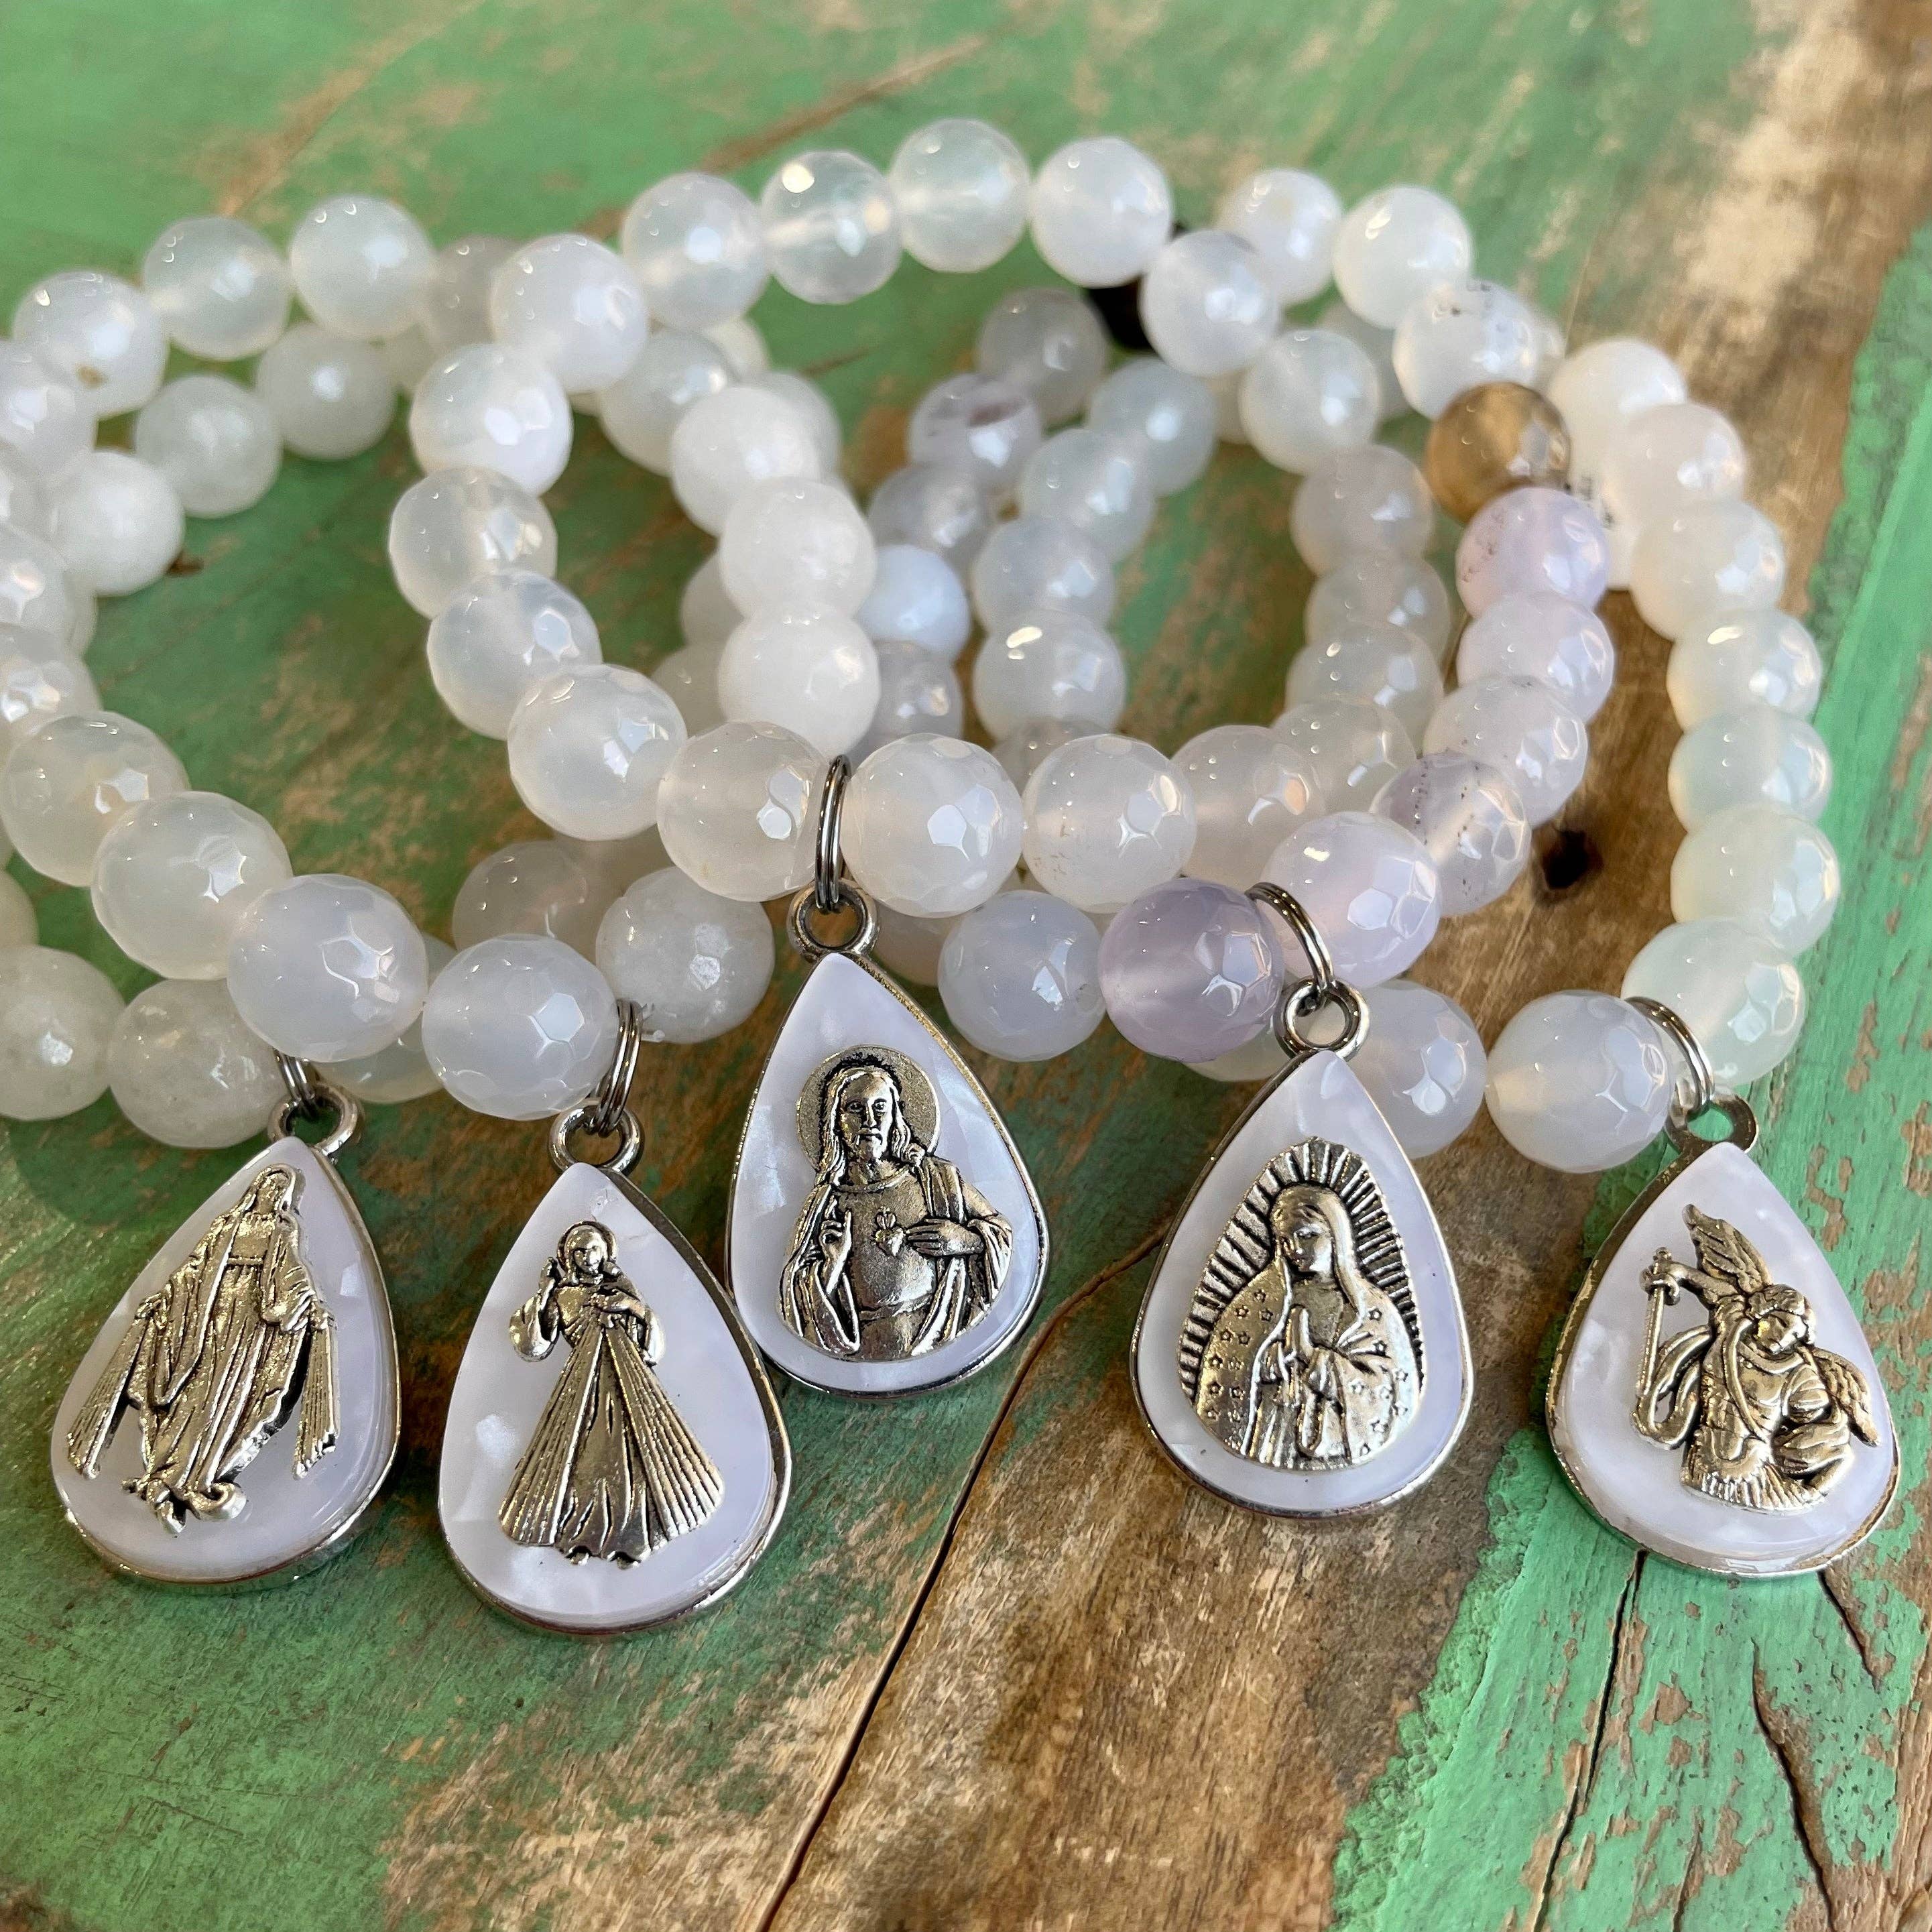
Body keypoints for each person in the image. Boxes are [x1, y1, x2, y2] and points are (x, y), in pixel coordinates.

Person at [67, 1164, 337, 1528]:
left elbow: (293, 1274)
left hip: (251, 1328)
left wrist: (304, 1301)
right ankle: (162, 1474)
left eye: (280, 1189)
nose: (273, 1192)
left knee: (228, 1400)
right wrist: (167, 1298)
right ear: (257, 1188)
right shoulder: (225, 1226)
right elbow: (193, 1269)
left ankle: (198, 1478)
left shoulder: (282, 1230)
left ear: (286, 1197)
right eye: (269, 1185)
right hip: (207, 1319)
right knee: (192, 1393)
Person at [498, 1220, 722, 1565]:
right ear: (569, 1258)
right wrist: (544, 1291)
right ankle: (578, 1537)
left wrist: (630, 1307)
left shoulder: (622, 1288)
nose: (588, 1257)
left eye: (594, 1250)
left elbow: (652, 1348)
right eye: (579, 1252)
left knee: (634, 1460)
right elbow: (533, 1347)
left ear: (605, 1253)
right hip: (580, 1392)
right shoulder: (563, 1296)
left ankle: (635, 1540)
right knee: (582, 1459)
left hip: (628, 1385)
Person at [1634, 1205, 1876, 1510]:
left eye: (1795, 1335)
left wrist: (1812, 1490)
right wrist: (1678, 1273)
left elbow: (1839, 1448)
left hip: (1757, 1479)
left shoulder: (1798, 1374)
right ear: (1762, 1311)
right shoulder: (1729, 1333)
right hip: (1701, 1462)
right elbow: (1718, 1290)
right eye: (1782, 1324)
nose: (1785, 1338)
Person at [780, 1052, 1012, 1360]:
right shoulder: (825, 1204)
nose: (870, 1121)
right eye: (855, 1108)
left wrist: (964, 1240)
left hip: (945, 1330)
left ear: (895, 1116)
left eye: (880, 1107)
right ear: (836, 1120)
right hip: (865, 1350)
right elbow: (796, 1303)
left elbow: (1002, 1232)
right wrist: (832, 1267)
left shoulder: (935, 1179)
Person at [1195, 1181, 1419, 1469]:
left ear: (1336, 1234)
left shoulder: (1369, 1309)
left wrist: (1313, 1357)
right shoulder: (1269, 1298)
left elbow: (1384, 1387)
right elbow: (1236, 1361)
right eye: (1285, 1240)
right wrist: (1272, 1361)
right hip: (1274, 1433)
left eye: (1307, 1235)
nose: (1295, 1249)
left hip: (1331, 1447)